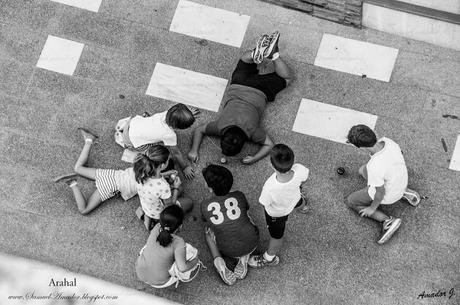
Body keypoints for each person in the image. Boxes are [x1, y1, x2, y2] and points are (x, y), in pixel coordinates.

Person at [188, 31, 292, 165]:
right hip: (239, 83)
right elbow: (199, 130)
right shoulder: (219, 126)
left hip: (261, 90)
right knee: (244, 59)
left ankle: (274, 55)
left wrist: (254, 158)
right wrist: (193, 150)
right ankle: (255, 54)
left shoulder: (253, 132)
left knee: (287, 78)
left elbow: (269, 145)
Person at [345, 124, 421, 244]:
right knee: (362, 170)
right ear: (373, 133)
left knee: (351, 201)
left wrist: (372, 208)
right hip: (401, 180)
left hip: (389, 194)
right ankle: (404, 192)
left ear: (362, 148)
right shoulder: (388, 141)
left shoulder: (374, 167)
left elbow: (380, 193)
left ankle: (387, 221)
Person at [248, 144, 309, 268]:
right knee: (300, 201)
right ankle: (304, 207)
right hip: (295, 198)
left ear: (272, 165)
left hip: (277, 214)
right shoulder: (299, 169)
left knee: (276, 236)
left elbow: (264, 203)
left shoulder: (269, 187)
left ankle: (269, 257)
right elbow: (304, 179)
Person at [53, 128, 139, 215]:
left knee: (78, 168)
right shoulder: (148, 185)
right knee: (84, 210)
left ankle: (89, 140)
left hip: (112, 174)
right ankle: (72, 183)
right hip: (111, 186)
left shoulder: (146, 165)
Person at [200, 164, 259, 285]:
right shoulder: (239, 195)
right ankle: (243, 257)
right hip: (252, 242)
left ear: (210, 188)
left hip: (228, 251)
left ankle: (219, 261)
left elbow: (205, 219)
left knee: (207, 231)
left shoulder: (205, 205)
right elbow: (246, 208)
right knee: (246, 216)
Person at [115, 103, 199, 179]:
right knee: (155, 152)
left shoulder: (166, 114)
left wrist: (186, 115)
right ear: (177, 128)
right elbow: (176, 153)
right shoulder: (169, 134)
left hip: (131, 124)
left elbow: (177, 113)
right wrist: (185, 167)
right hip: (130, 141)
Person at [136, 205, 203, 288]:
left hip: (140, 272)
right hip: (160, 282)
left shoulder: (156, 227)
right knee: (191, 251)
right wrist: (195, 260)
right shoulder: (178, 242)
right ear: (180, 226)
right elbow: (182, 268)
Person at [135, 144, 194, 230]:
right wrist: (176, 187)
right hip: (160, 212)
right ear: (162, 165)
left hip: (147, 207)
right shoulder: (163, 186)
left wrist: (165, 174)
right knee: (189, 202)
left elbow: (152, 178)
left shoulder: (141, 173)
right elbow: (169, 206)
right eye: (168, 160)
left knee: (180, 190)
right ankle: (160, 222)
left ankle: (147, 218)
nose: (169, 160)